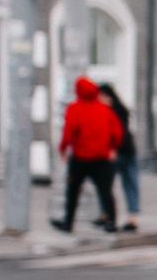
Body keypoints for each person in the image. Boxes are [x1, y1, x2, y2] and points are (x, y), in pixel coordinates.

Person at [53, 76, 123, 233]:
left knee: (73, 191)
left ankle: (68, 223)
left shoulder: (75, 108)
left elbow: (68, 131)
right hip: (102, 158)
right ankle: (111, 222)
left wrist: (63, 149)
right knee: (105, 191)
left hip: (80, 158)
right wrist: (113, 148)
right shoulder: (105, 109)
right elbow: (117, 131)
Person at [101, 81, 142, 233]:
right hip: (130, 150)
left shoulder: (108, 109)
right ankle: (132, 217)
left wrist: (110, 149)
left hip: (116, 152)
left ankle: (107, 215)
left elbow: (113, 133)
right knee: (131, 184)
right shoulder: (122, 108)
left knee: (105, 186)